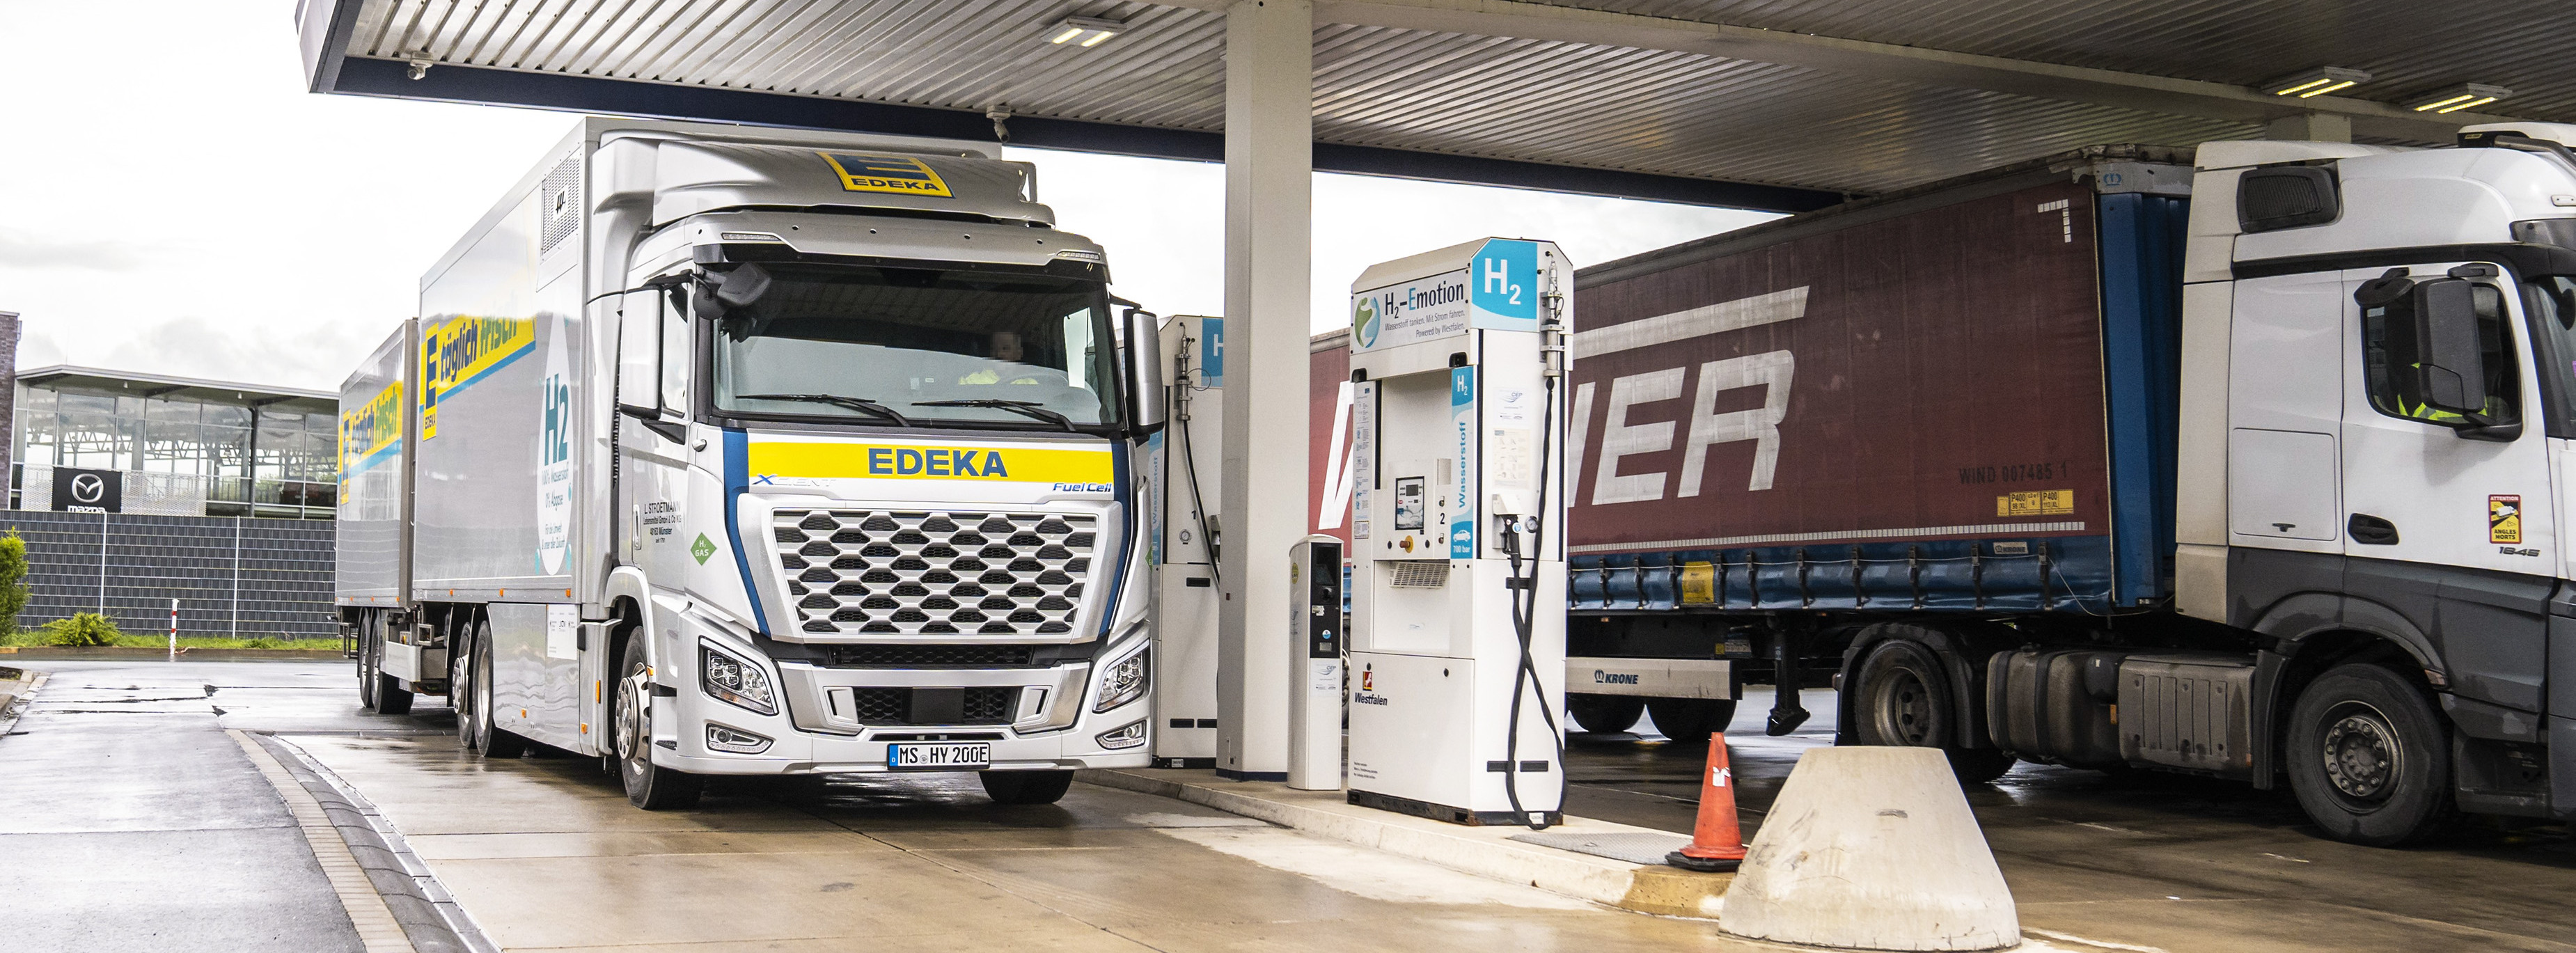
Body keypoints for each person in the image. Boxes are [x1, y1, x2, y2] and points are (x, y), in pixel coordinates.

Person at [958, 331, 1044, 385]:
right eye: (995, 349)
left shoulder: (1030, 384)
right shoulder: (970, 381)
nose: (999, 353)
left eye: (1005, 348)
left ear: (1018, 353)